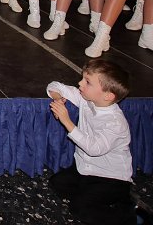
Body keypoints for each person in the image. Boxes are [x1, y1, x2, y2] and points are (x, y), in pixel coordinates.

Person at [47, 59, 135, 225]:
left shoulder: (115, 122)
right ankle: (93, 196)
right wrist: (58, 99)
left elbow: (94, 149)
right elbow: (54, 86)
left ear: (108, 96)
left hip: (111, 178)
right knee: (57, 183)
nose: (80, 83)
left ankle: (128, 215)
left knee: (80, 209)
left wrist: (67, 121)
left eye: (87, 82)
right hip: (85, 170)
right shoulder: (87, 99)